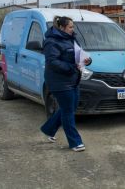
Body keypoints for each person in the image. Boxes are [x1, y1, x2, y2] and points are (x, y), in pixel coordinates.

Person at [40, 16, 91, 152]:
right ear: (62, 27)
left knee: (69, 108)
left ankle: (48, 129)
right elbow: (53, 62)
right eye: (70, 27)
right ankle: (75, 142)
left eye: (73, 27)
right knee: (68, 111)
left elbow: (79, 54)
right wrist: (72, 67)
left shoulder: (71, 38)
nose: (72, 29)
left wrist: (87, 60)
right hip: (59, 82)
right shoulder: (51, 41)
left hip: (73, 79)